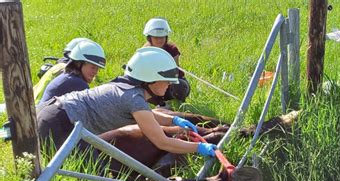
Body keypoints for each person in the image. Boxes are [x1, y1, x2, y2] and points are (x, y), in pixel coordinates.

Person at [37, 47, 216, 159]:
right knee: (91, 172)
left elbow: (146, 115)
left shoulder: (125, 87)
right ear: (151, 79)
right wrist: (199, 147)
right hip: (58, 124)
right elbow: (163, 142)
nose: (170, 85)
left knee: (92, 167)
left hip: (53, 114)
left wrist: (173, 121)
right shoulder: (133, 98)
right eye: (167, 80)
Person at [142, 17, 190, 105]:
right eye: (156, 37)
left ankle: (178, 103)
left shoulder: (172, 49)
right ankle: (158, 103)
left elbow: (175, 72)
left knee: (180, 86)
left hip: (171, 80)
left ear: (166, 37)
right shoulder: (144, 51)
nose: (159, 40)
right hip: (152, 81)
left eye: (162, 37)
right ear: (149, 38)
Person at [39, 41, 106, 104]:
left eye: (98, 68)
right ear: (79, 64)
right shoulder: (78, 83)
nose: (95, 72)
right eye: (93, 67)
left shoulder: (68, 77)